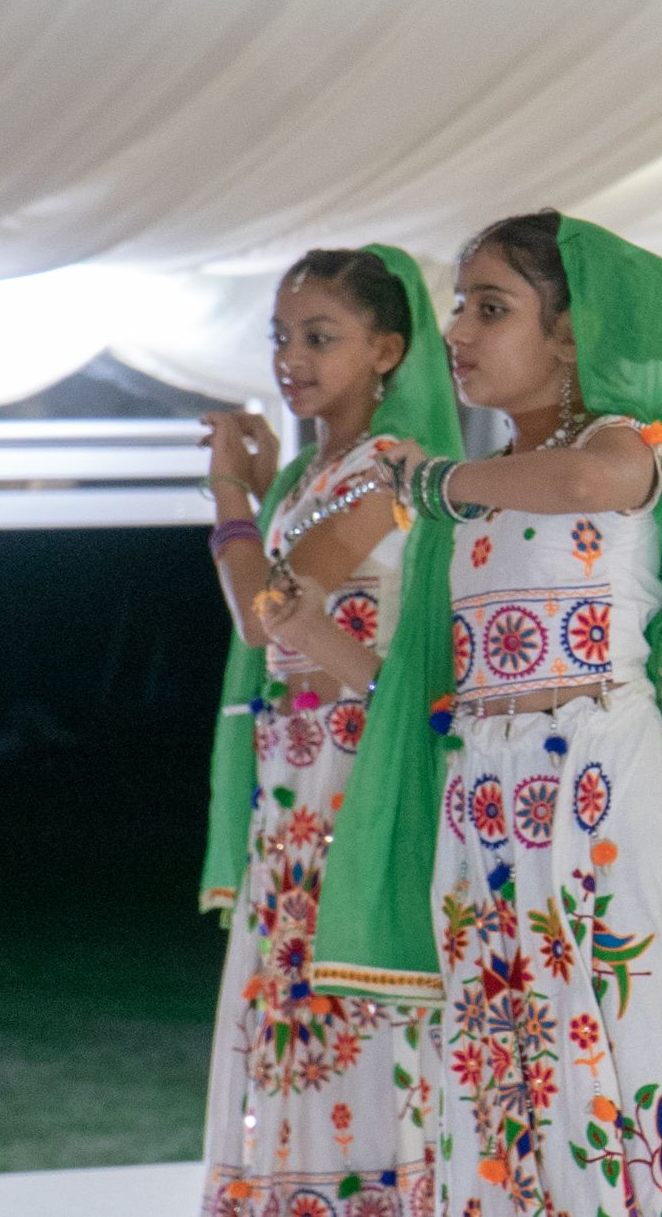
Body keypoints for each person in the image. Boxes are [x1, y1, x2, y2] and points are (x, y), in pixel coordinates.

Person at [314, 212, 662, 1217]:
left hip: (602, 795)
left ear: (570, 334)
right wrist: (307, 626)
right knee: (516, 1064)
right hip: (487, 809)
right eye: (458, 306)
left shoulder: (619, 443)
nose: (457, 330)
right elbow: (420, 688)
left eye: (490, 307)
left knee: (639, 1042)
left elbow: (591, 482)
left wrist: (432, 480)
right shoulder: (466, 508)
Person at [197, 246, 460, 1216]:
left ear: (387, 348)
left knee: (354, 1006)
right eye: (280, 337)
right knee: (296, 1008)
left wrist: (228, 493)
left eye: (320, 337)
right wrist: (259, 492)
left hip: (356, 773)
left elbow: (270, 609)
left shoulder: (389, 471)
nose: (290, 358)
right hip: (295, 782)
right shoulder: (313, 472)